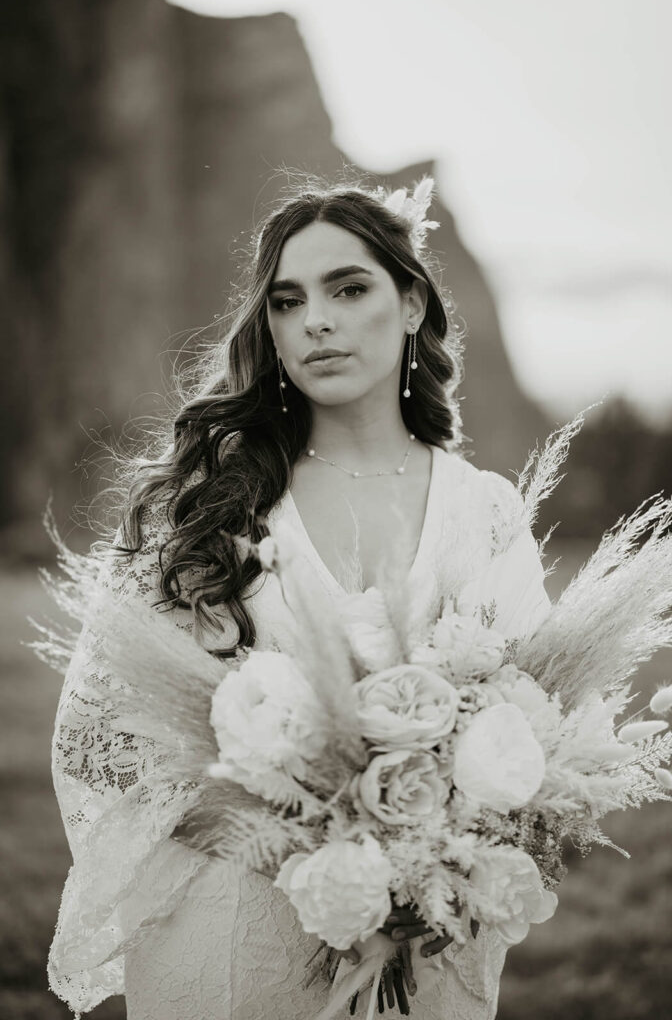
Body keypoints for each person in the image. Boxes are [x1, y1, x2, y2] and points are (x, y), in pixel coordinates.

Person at [48, 174, 551, 1019]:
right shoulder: (216, 502)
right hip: (234, 931)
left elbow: (534, 728)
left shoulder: (486, 512)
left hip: (422, 939)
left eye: (347, 289)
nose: (314, 319)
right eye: (286, 301)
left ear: (413, 304)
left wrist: (419, 844)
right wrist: (286, 830)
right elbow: (101, 736)